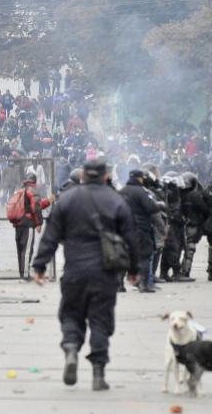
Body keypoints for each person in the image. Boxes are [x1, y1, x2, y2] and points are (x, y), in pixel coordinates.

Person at [32, 159, 139, 391]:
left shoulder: (67, 200)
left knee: (71, 314)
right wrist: (134, 270)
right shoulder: (116, 200)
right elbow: (131, 238)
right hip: (105, 274)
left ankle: (71, 347)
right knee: (101, 321)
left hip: (74, 272)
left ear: (82, 177)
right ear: (104, 176)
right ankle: (98, 373)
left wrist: (39, 266)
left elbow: (50, 235)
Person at [119, 169, 162, 293]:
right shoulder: (141, 191)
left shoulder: (121, 191)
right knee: (144, 255)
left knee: (123, 256)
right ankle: (143, 284)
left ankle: (119, 285)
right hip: (140, 228)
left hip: (123, 228)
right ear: (139, 178)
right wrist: (159, 205)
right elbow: (150, 207)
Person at [13, 173, 52, 281]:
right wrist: (39, 223)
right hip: (28, 224)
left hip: (18, 223)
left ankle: (22, 273)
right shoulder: (32, 190)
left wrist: (48, 201)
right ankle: (25, 275)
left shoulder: (20, 190)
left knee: (20, 249)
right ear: (35, 181)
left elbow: (34, 205)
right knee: (27, 250)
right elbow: (36, 208)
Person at [179, 172, 207, 280]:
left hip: (179, 225)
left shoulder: (177, 195)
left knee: (177, 249)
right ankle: (185, 271)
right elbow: (204, 208)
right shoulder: (194, 195)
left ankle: (175, 272)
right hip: (192, 225)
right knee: (189, 249)